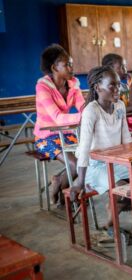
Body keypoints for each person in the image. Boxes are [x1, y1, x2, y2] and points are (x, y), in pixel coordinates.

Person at [70, 66, 132, 228]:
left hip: (116, 161)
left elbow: (126, 138)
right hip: (94, 165)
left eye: (119, 84)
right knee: (125, 189)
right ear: (97, 87)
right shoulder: (91, 110)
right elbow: (85, 148)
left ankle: (112, 212)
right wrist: (80, 181)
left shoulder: (120, 106)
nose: (118, 89)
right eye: (112, 85)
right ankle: (110, 223)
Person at [34, 44, 83, 205]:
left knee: (87, 157)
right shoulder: (43, 87)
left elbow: (83, 106)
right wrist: (86, 116)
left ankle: (60, 181)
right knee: (76, 164)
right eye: (67, 64)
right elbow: (58, 118)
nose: (71, 67)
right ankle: (65, 189)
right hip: (45, 137)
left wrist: (88, 112)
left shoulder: (73, 85)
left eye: (71, 63)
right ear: (54, 67)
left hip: (67, 134)